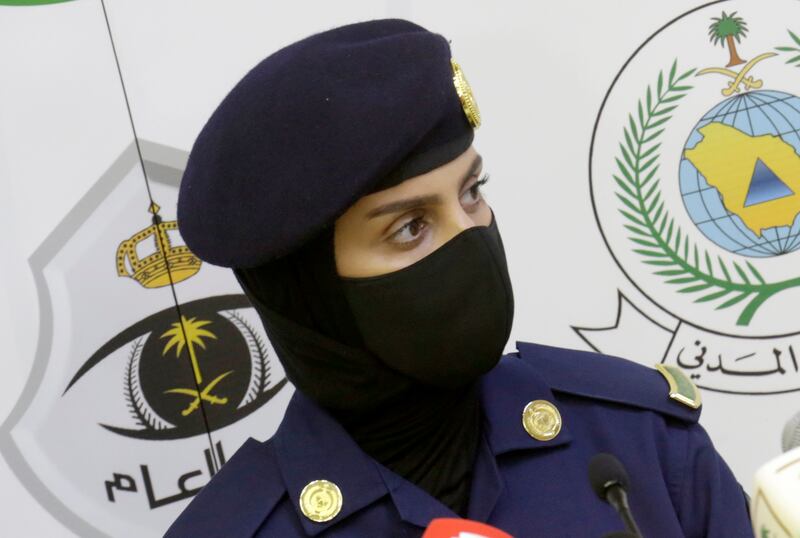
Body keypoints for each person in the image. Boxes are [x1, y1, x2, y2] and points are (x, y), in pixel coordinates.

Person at [166, 18, 753, 537]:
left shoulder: (639, 445)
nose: (469, 238)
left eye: (472, 193)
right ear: (309, 295)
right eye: (410, 227)